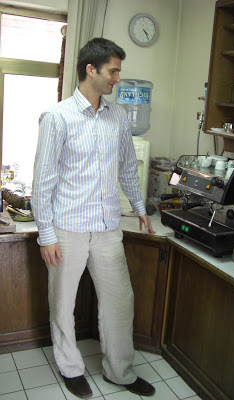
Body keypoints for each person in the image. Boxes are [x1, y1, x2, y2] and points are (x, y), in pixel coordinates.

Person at [31, 37, 156, 399]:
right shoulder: (57, 117)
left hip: (107, 229)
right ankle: (71, 368)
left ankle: (120, 372)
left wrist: (141, 209)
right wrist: (45, 235)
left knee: (120, 301)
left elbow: (128, 170)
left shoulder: (117, 117)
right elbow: (44, 182)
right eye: (113, 70)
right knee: (63, 304)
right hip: (66, 229)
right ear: (92, 69)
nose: (118, 78)